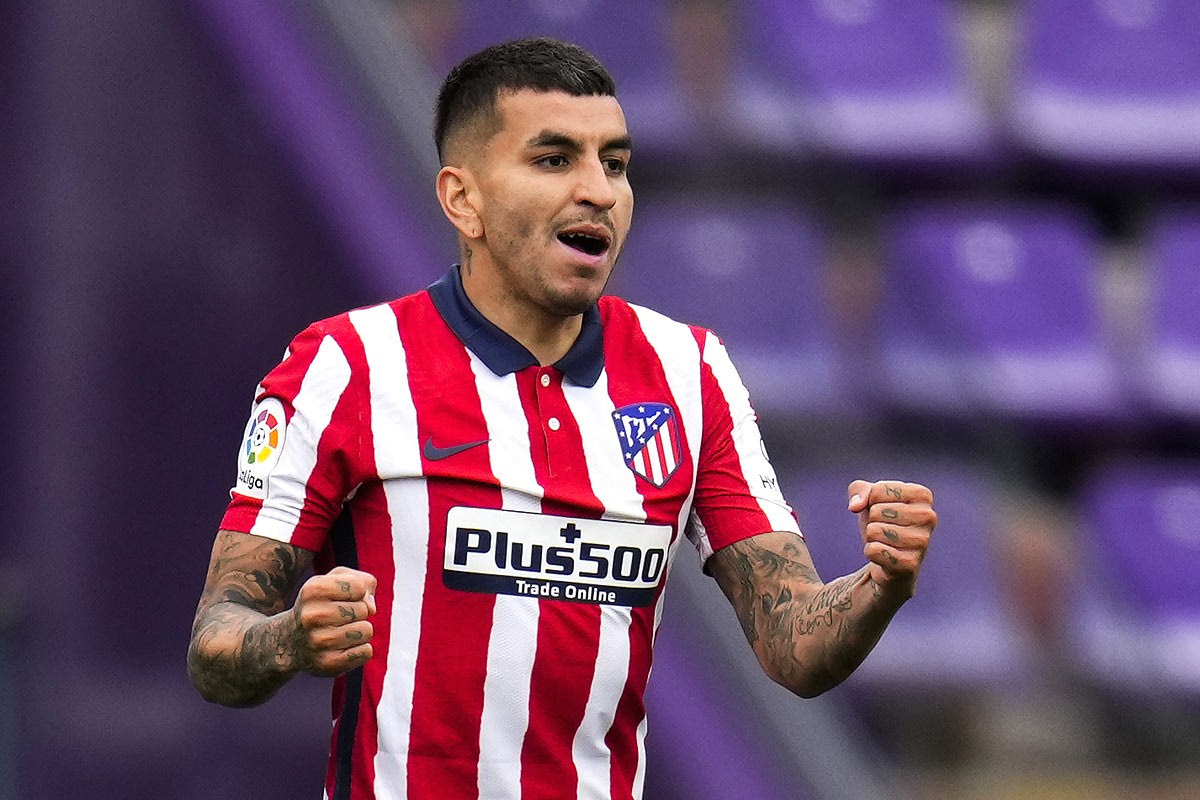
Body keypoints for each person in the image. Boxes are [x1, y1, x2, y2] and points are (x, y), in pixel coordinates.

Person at [186, 36, 937, 800]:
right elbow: (217, 638)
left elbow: (794, 644)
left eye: (614, 163)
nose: (598, 191)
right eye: (554, 160)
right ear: (463, 200)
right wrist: (286, 641)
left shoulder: (689, 372)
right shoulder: (347, 365)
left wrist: (879, 586)